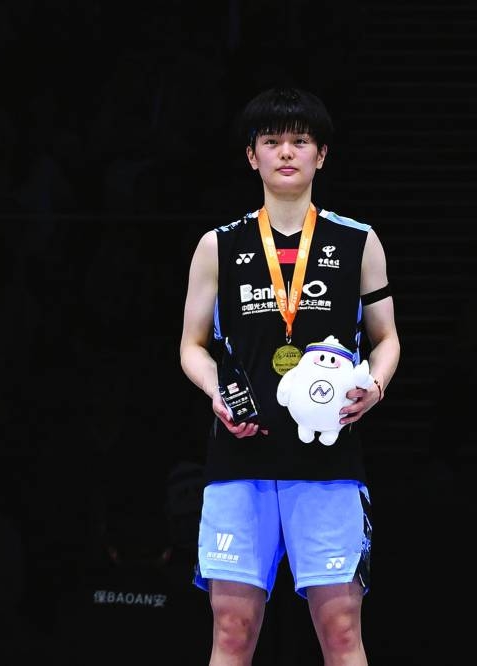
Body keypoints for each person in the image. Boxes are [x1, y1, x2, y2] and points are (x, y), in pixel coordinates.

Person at [179, 87, 400, 665]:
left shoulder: (358, 241)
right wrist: (216, 393)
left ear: (320, 155)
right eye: (272, 141)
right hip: (239, 460)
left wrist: (374, 387)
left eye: (300, 141)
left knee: (342, 629)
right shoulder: (218, 247)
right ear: (252, 155)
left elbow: (386, 339)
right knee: (230, 630)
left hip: (327, 465)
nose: (286, 152)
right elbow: (192, 347)